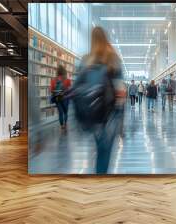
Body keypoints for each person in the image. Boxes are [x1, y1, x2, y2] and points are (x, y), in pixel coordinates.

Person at [73, 27, 124, 174]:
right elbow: (120, 91)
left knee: (98, 148)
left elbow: (76, 89)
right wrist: (120, 118)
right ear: (105, 39)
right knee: (104, 154)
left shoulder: (85, 60)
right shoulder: (113, 59)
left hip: (91, 115)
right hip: (109, 116)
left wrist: (78, 117)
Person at [50, 65, 71, 130]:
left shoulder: (53, 80)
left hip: (57, 98)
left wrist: (56, 92)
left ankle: (61, 126)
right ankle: (65, 124)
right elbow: (69, 89)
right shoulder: (67, 80)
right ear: (64, 72)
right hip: (66, 98)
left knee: (60, 112)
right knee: (65, 112)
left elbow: (51, 90)